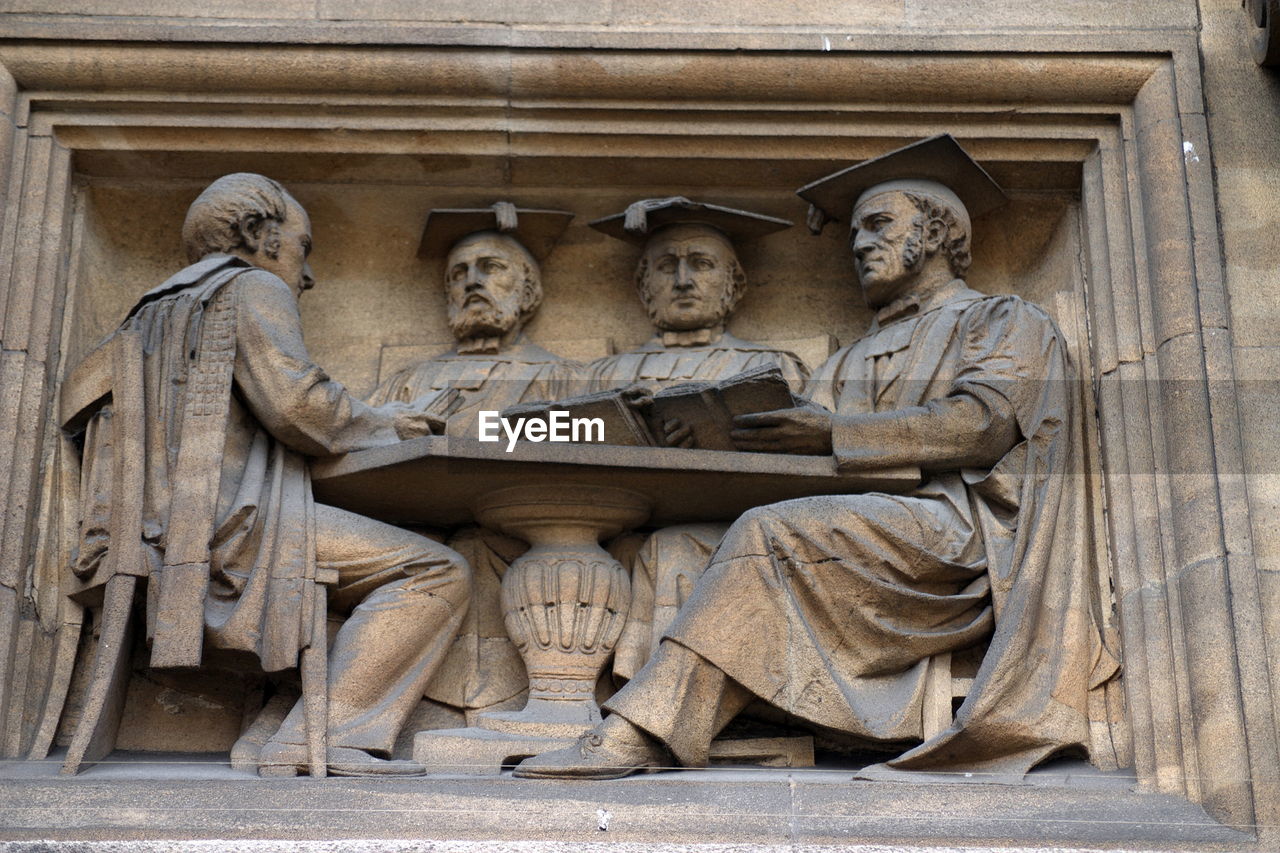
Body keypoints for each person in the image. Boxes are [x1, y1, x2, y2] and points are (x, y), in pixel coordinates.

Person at [514, 136, 1119, 780]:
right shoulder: (849, 359)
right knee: (678, 546)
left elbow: (982, 425)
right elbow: (801, 451)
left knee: (767, 532)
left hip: (959, 537)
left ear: (939, 233)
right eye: (855, 231)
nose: (860, 244)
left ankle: (642, 733)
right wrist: (717, 436)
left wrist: (832, 434)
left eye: (879, 225)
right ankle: (716, 724)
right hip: (866, 530)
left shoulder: (1002, 319)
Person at [72, 173, 471, 776]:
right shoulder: (249, 287)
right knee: (436, 570)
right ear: (261, 234)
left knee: (351, 582)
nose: (306, 275)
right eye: (302, 247)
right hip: (226, 531)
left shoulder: (147, 315)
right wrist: (392, 424)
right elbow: (298, 407)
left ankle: (272, 732)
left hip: (150, 533)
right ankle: (326, 736)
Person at [368, 203, 584, 720]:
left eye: (491, 269)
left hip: (518, 534)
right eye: (459, 274)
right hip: (413, 528)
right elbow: (358, 441)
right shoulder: (407, 380)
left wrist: (474, 431)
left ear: (529, 292)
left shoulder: (567, 378)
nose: (472, 283)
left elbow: (589, 440)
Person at [584, 198, 811, 681]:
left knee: (672, 550)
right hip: (620, 524)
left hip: (731, 527)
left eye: (702, 265)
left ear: (735, 284)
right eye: (667, 266)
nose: (683, 280)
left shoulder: (772, 367)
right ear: (643, 285)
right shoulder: (603, 374)